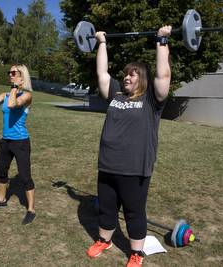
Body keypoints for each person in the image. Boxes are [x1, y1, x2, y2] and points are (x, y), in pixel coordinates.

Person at [86, 25, 172, 267]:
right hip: (108, 164)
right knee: (106, 206)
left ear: (142, 78)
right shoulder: (116, 95)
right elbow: (102, 74)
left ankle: (136, 253)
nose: (126, 77)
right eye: (125, 73)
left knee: (134, 212)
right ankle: (104, 240)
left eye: (133, 74)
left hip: (134, 168)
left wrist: (161, 41)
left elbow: (163, 76)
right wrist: (101, 43)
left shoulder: (152, 100)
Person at [0, 64, 36, 225]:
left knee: (25, 176)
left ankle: (31, 210)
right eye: (10, 73)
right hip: (6, 141)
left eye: (14, 73)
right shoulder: (5, 95)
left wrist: (15, 87)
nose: (10, 75)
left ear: (22, 76)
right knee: (1, 171)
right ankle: (1, 200)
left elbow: (13, 104)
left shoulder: (27, 95)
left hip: (20, 142)